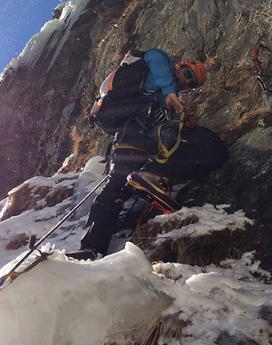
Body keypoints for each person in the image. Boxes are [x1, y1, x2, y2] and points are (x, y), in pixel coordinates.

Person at [76, 48, 228, 259]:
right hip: (132, 137)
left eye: (192, 84)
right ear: (179, 66)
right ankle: (91, 246)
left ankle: (94, 245)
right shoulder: (161, 65)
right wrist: (169, 91)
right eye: (187, 74)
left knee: (117, 188)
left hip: (135, 140)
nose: (187, 82)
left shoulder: (162, 102)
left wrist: (179, 122)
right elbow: (153, 55)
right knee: (114, 187)